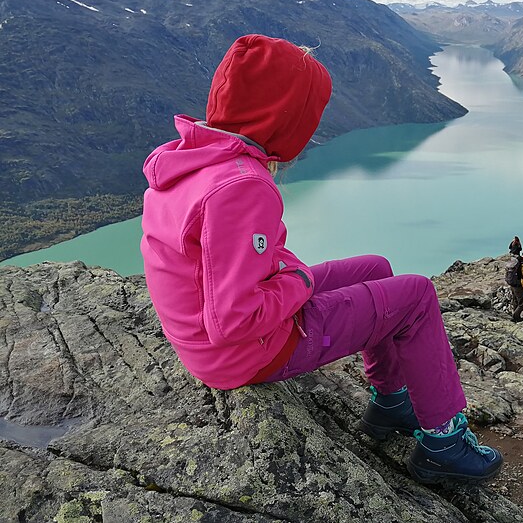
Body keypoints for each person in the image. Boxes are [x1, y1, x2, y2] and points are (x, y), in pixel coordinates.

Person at [139, 34, 502, 484]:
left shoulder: (188, 160)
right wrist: (299, 281)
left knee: (376, 268)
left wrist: (290, 275)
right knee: (417, 295)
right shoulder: (241, 186)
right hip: (244, 353)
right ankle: (443, 445)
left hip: (206, 342)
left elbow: (226, 263)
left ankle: (391, 402)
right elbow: (233, 319)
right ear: (284, 114)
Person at [506, 250, 523, 322]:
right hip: (518, 285)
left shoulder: (516, 261)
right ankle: (515, 317)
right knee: (522, 303)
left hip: (512, 284)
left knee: (515, 300)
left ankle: (515, 315)